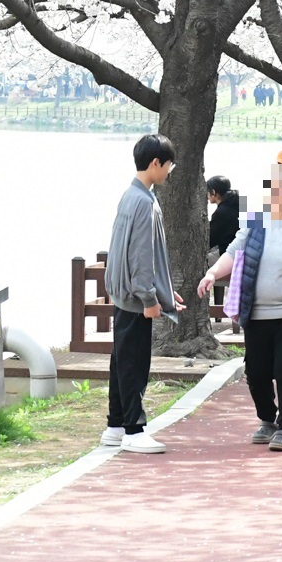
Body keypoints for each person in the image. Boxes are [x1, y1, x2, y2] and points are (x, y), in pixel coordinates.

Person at [196, 154, 282, 453]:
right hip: (256, 315)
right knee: (256, 374)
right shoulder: (256, 224)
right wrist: (211, 273)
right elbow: (233, 251)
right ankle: (267, 419)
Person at [105, 133, 183, 454]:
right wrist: (150, 299)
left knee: (121, 360)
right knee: (134, 364)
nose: (170, 170)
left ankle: (115, 425)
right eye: (168, 165)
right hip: (136, 299)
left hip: (126, 296)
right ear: (155, 163)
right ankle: (133, 430)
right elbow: (141, 258)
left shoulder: (130, 196)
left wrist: (163, 294)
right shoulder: (144, 202)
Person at [206, 176, 241, 304]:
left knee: (197, 261)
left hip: (228, 256)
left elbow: (209, 241)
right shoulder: (239, 205)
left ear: (214, 193)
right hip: (242, 255)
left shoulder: (221, 213)